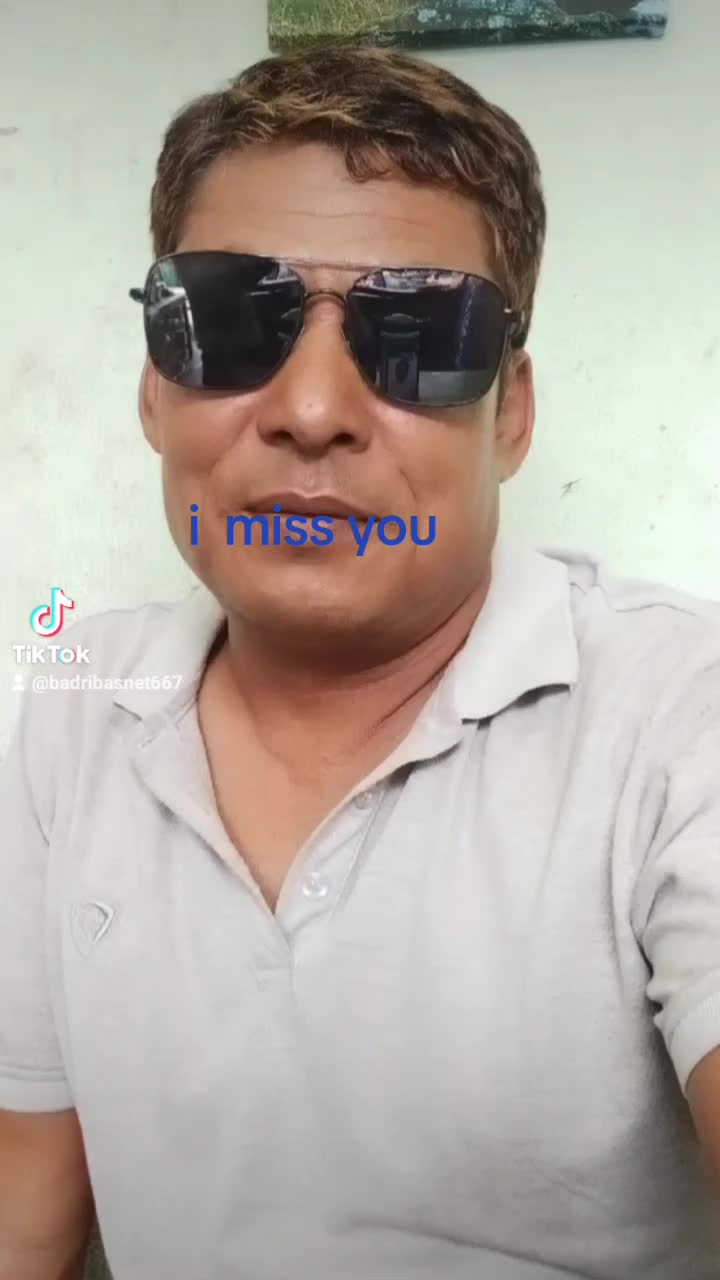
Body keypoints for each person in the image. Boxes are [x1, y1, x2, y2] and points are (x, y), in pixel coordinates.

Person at [1, 42, 720, 1280]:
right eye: (232, 319)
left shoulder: (675, 712)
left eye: (417, 328)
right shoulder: (72, 704)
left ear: (511, 413)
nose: (313, 408)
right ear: (154, 390)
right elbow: (27, 1206)